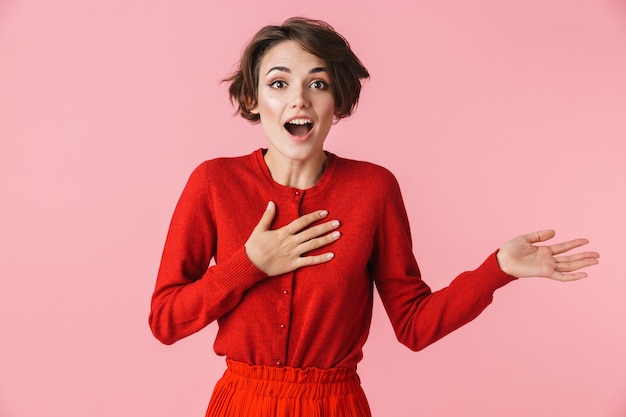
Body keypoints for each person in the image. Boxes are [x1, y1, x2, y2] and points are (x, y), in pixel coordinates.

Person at [149, 17, 599, 417]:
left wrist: (497, 270)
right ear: (252, 99)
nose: (299, 100)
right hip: (241, 404)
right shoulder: (214, 182)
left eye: (318, 84)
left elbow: (415, 326)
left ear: (339, 103)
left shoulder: (373, 189)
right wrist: (249, 265)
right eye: (279, 83)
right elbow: (166, 321)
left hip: (337, 405)